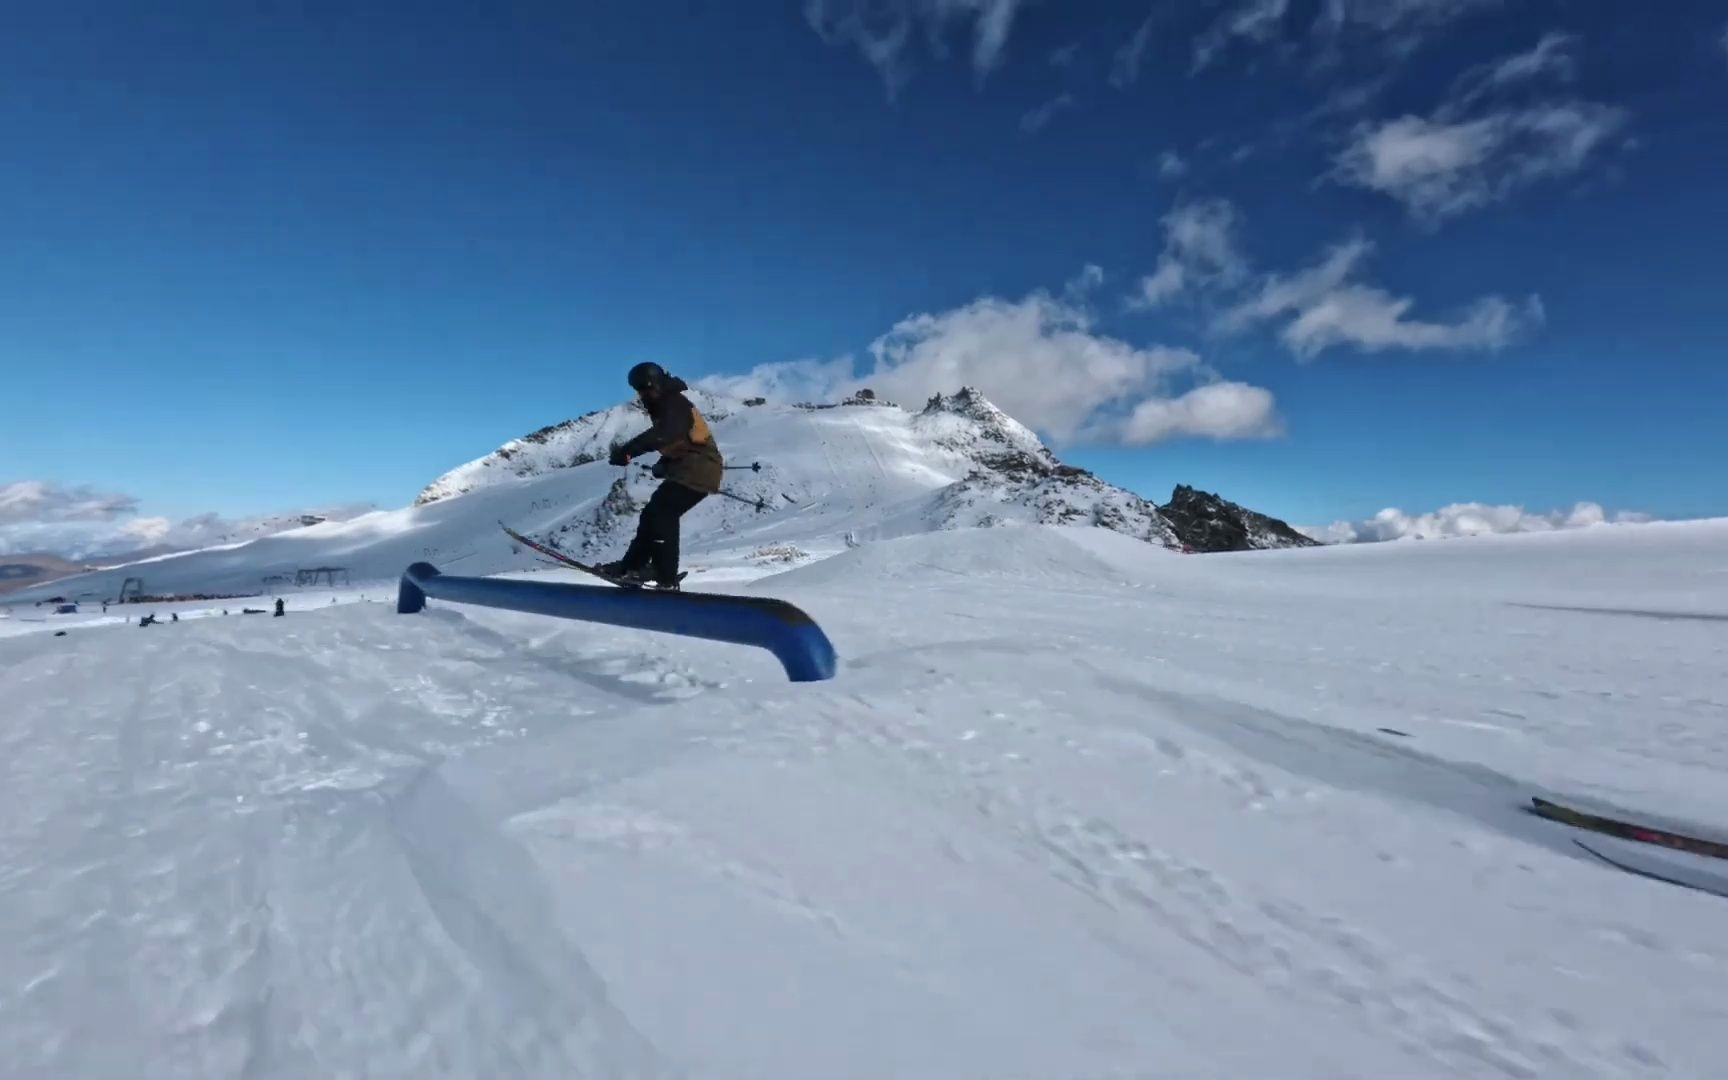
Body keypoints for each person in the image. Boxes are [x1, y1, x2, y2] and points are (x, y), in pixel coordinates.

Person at [598, 362, 723, 587]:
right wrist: (664, 463)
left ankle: (664, 574)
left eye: (645, 389)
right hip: (690, 468)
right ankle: (632, 567)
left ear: (655, 384)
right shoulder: (665, 405)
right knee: (652, 515)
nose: (642, 395)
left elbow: (666, 433)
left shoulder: (674, 402)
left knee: (662, 513)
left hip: (700, 470)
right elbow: (681, 441)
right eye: (639, 391)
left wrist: (629, 450)